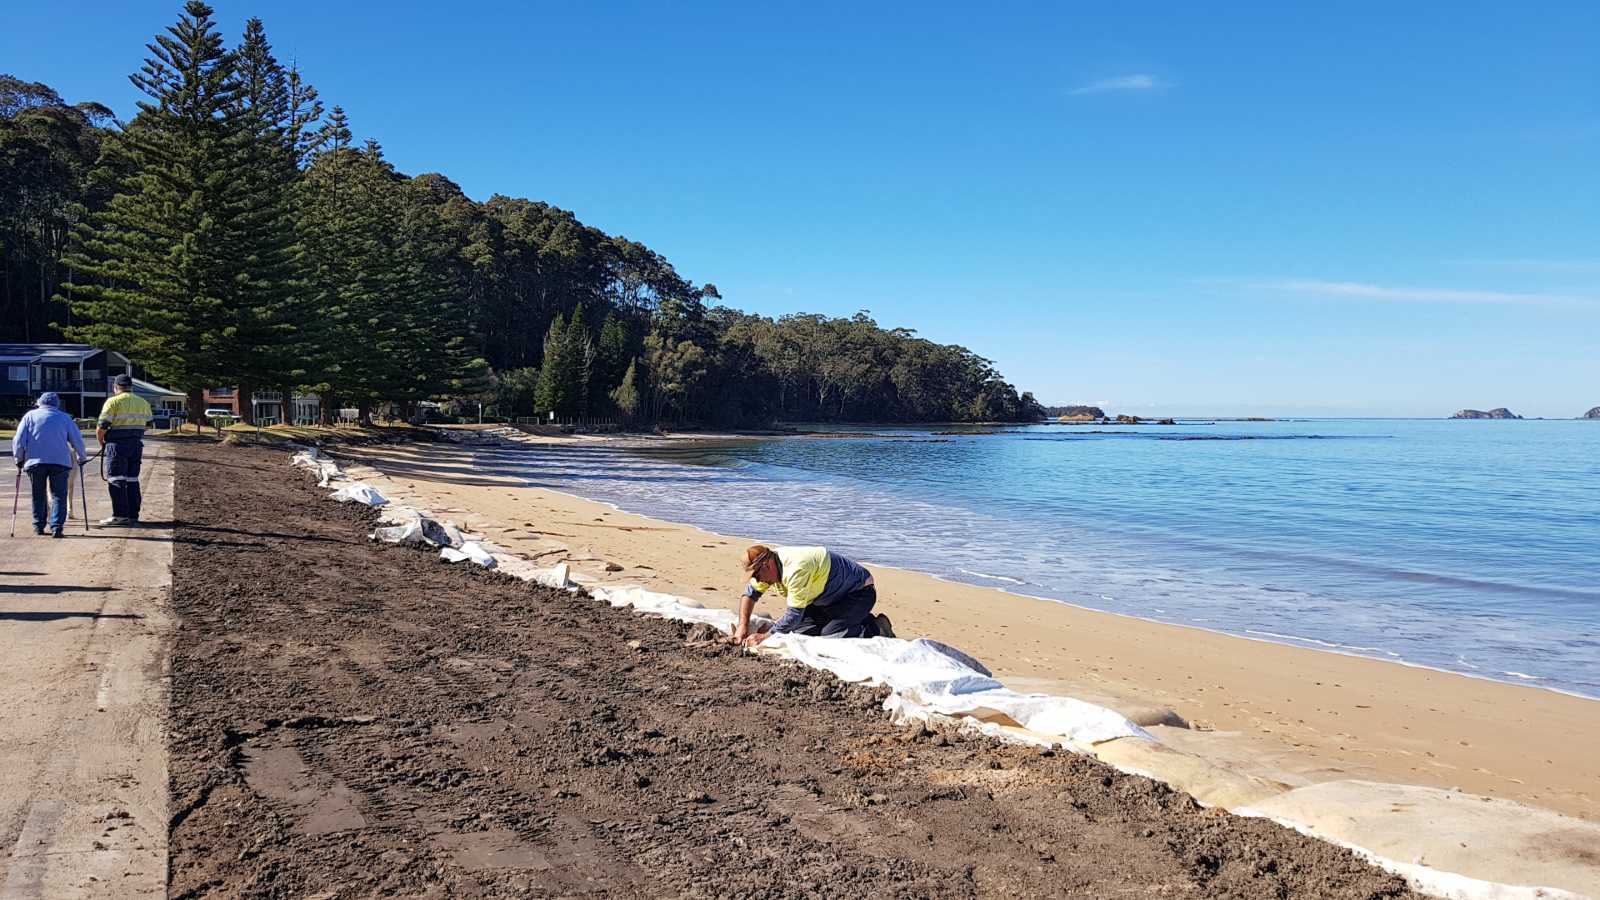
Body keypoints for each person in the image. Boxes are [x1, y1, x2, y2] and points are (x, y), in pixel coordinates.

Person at [732, 544, 894, 645]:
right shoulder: (767, 570)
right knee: (800, 633)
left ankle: (876, 628)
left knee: (831, 637)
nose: (756, 579)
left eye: (756, 575)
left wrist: (766, 636)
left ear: (766, 565)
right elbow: (750, 595)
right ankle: (859, 619)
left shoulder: (796, 569)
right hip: (826, 599)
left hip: (859, 592)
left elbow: (794, 614)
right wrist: (742, 626)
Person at [11, 392, 89, 538]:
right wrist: (82, 456)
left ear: (40, 402)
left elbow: (19, 440)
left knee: (38, 494)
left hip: (35, 462)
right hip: (60, 462)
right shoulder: (64, 418)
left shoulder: (29, 416)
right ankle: (57, 526)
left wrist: (18, 458)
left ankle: (39, 525)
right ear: (56, 404)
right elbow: (76, 439)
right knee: (59, 494)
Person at [95, 374, 153, 526]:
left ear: (115, 387)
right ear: (131, 387)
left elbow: (102, 426)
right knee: (132, 480)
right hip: (135, 444)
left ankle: (120, 515)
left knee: (116, 479)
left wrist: (101, 442)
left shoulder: (113, 401)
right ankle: (133, 514)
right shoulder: (143, 402)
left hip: (117, 445)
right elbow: (149, 424)